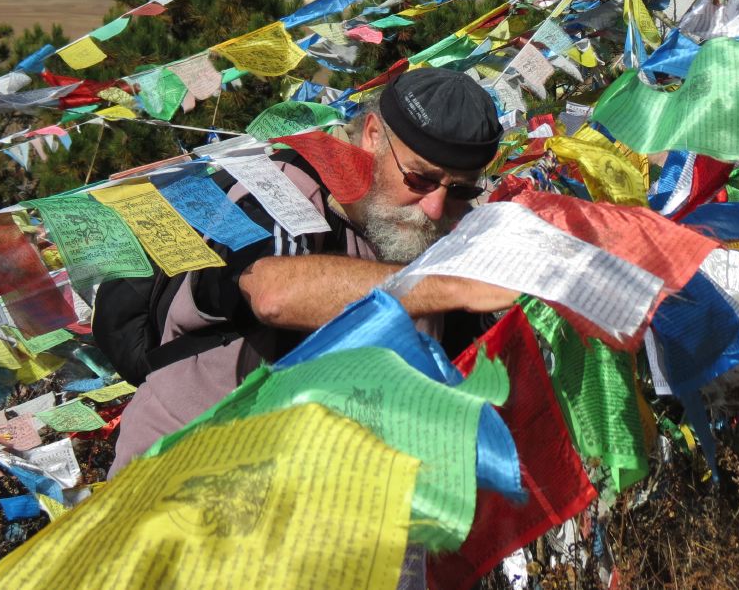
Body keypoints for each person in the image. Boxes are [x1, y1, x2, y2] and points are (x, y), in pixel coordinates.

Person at [105, 68, 517, 474]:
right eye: (420, 179)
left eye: (461, 189)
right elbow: (273, 293)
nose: (435, 208)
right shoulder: (280, 187)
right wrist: (446, 287)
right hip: (185, 476)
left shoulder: (440, 238)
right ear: (373, 136)